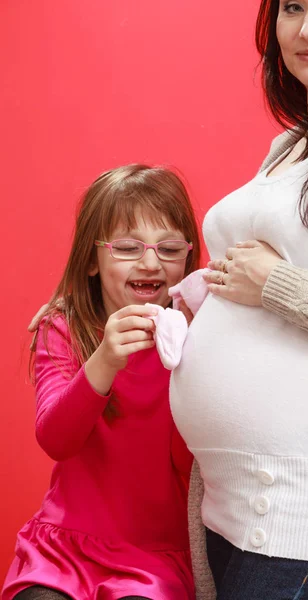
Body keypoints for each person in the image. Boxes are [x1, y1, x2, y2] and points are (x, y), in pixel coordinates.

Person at [169, 0, 308, 599]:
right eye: (293, 7)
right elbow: (250, 274)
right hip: (228, 502)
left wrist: (279, 287)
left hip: (307, 509)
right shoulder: (290, 148)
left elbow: (277, 282)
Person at [2, 164, 201, 600]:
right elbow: (56, 439)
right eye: (128, 247)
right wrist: (105, 359)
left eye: (169, 248)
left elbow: (195, 461)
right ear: (92, 261)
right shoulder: (63, 326)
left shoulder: (199, 337)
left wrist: (200, 340)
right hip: (62, 549)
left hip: (154, 557)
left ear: (188, 257)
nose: (151, 262)